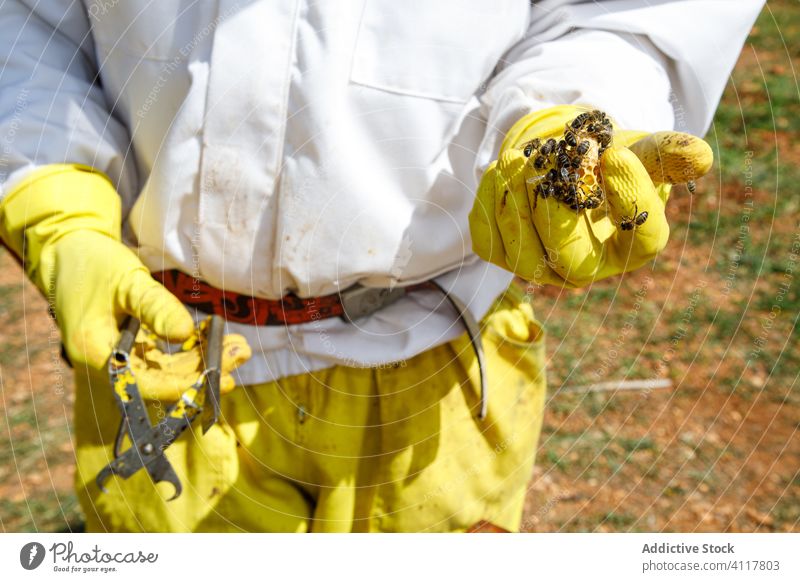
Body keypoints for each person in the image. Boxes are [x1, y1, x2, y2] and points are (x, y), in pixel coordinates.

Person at [0, 1, 763, 532]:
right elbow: (26, 27)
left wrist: (570, 110)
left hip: (433, 356)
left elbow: (624, 13)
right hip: (165, 352)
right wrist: (53, 200)